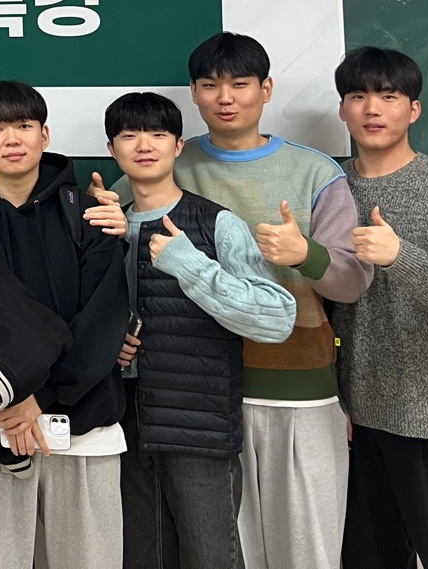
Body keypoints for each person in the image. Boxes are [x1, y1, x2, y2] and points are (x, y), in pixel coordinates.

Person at [95, 32, 372, 569]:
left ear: (265, 89)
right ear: (193, 94)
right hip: (189, 390)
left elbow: (352, 283)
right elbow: (123, 271)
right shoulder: (161, 163)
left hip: (293, 385)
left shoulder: (315, 171)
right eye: (209, 85)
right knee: (216, 546)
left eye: (240, 84)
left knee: (302, 546)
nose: (225, 98)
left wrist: (305, 255)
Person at [0, 80, 128, 569]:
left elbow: (103, 321)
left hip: (83, 430)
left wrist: (41, 397)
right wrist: (7, 402)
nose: (11, 139)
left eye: (23, 125)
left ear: (45, 135)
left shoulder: (89, 215)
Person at [106, 91, 295, 569]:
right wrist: (106, 345)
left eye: (157, 134)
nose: (143, 145)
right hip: (121, 425)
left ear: (178, 145)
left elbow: (276, 318)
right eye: (129, 135)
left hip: (199, 425)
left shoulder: (216, 224)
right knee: (141, 559)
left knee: (212, 558)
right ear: (111, 149)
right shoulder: (105, 227)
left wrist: (189, 264)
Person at [328, 47, 428, 569]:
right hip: (352, 418)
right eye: (358, 96)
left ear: (413, 110)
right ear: (342, 109)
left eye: (389, 97)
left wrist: (400, 257)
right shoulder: (329, 187)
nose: (372, 109)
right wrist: (334, 396)